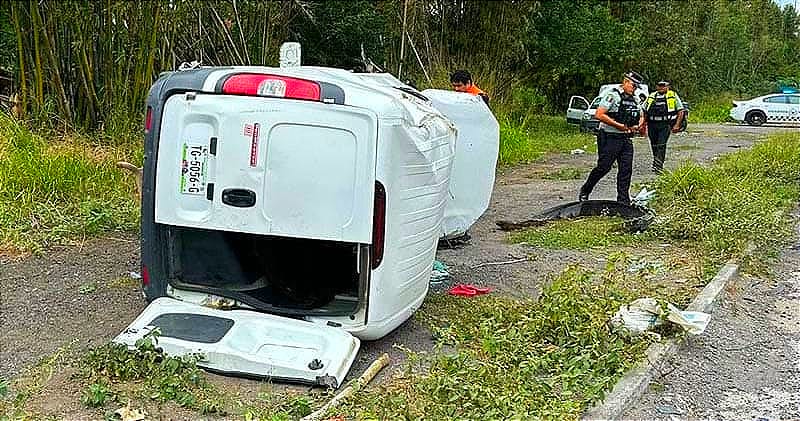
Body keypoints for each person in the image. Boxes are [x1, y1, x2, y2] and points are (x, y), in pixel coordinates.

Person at [579, 71, 645, 205]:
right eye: (633, 85)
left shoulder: (635, 99)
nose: (634, 89)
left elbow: (641, 115)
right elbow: (599, 114)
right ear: (625, 82)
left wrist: (637, 126)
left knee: (626, 169)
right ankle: (586, 190)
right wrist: (618, 125)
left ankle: (623, 200)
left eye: (636, 87)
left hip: (625, 138)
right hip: (610, 136)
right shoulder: (612, 95)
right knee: (604, 167)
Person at [643, 80, 685, 173]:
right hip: (652, 124)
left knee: (661, 144)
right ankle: (656, 162)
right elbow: (644, 110)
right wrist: (642, 125)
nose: (661, 87)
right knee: (654, 144)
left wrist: (677, 125)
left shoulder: (673, 96)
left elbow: (681, 111)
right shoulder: (652, 96)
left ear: (668, 87)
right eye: (659, 86)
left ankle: (658, 166)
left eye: (663, 86)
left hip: (665, 124)